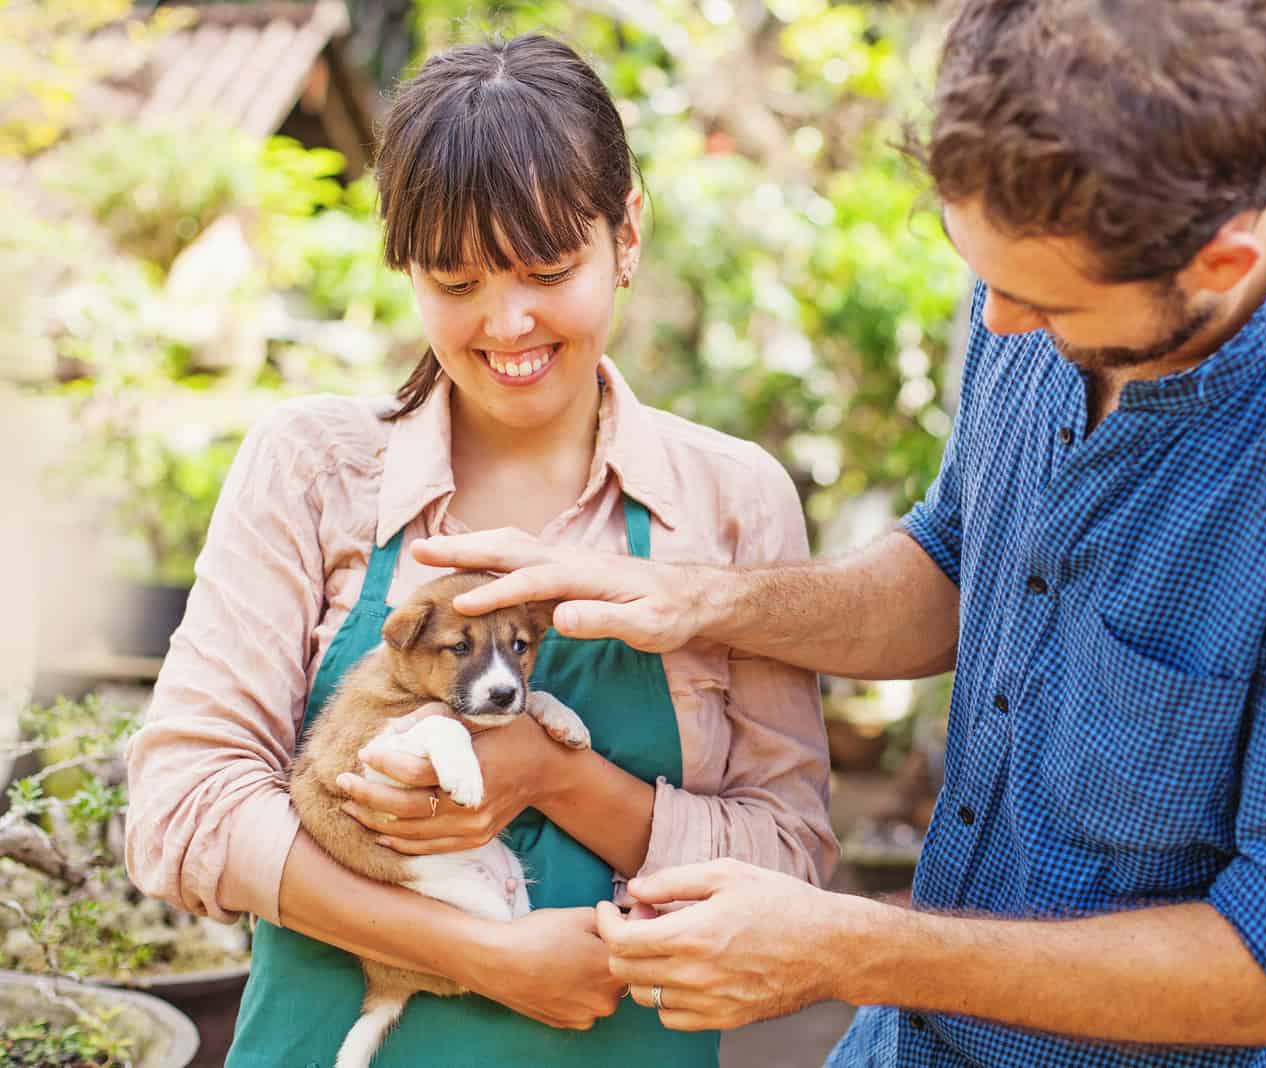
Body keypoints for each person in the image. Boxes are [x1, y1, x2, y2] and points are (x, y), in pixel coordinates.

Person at [413, 2, 1266, 1066]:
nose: (999, 325)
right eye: (986, 279)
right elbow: (958, 563)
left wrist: (850, 947)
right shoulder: (1049, 265)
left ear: (1219, 263)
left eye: (1046, 308)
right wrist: (706, 600)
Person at [123, 33, 836, 1068]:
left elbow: (793, 863)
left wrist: (547, 774)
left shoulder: (727, 505)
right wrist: (477, 952)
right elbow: (182, 808)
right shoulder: (316, 472)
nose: (507, 324)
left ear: (625, 233)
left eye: (548, 270)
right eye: (453, 282)